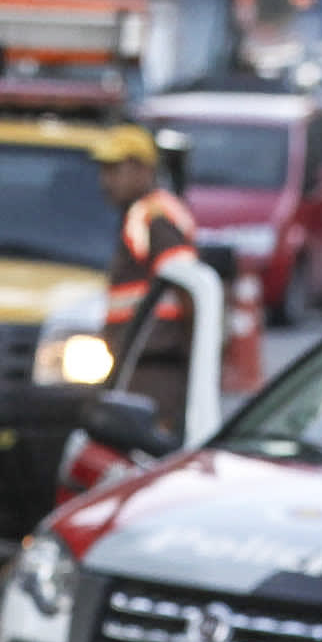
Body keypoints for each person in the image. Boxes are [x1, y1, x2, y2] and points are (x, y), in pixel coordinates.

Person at [100, 133, 200, 430]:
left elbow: (188, 286)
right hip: (141, 361)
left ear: (144, 170)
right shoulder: (140, 214)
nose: (105, 181)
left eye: (114, 170)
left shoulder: (153, 216)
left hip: (158, 367)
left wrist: (197, 362)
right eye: (103, 170)